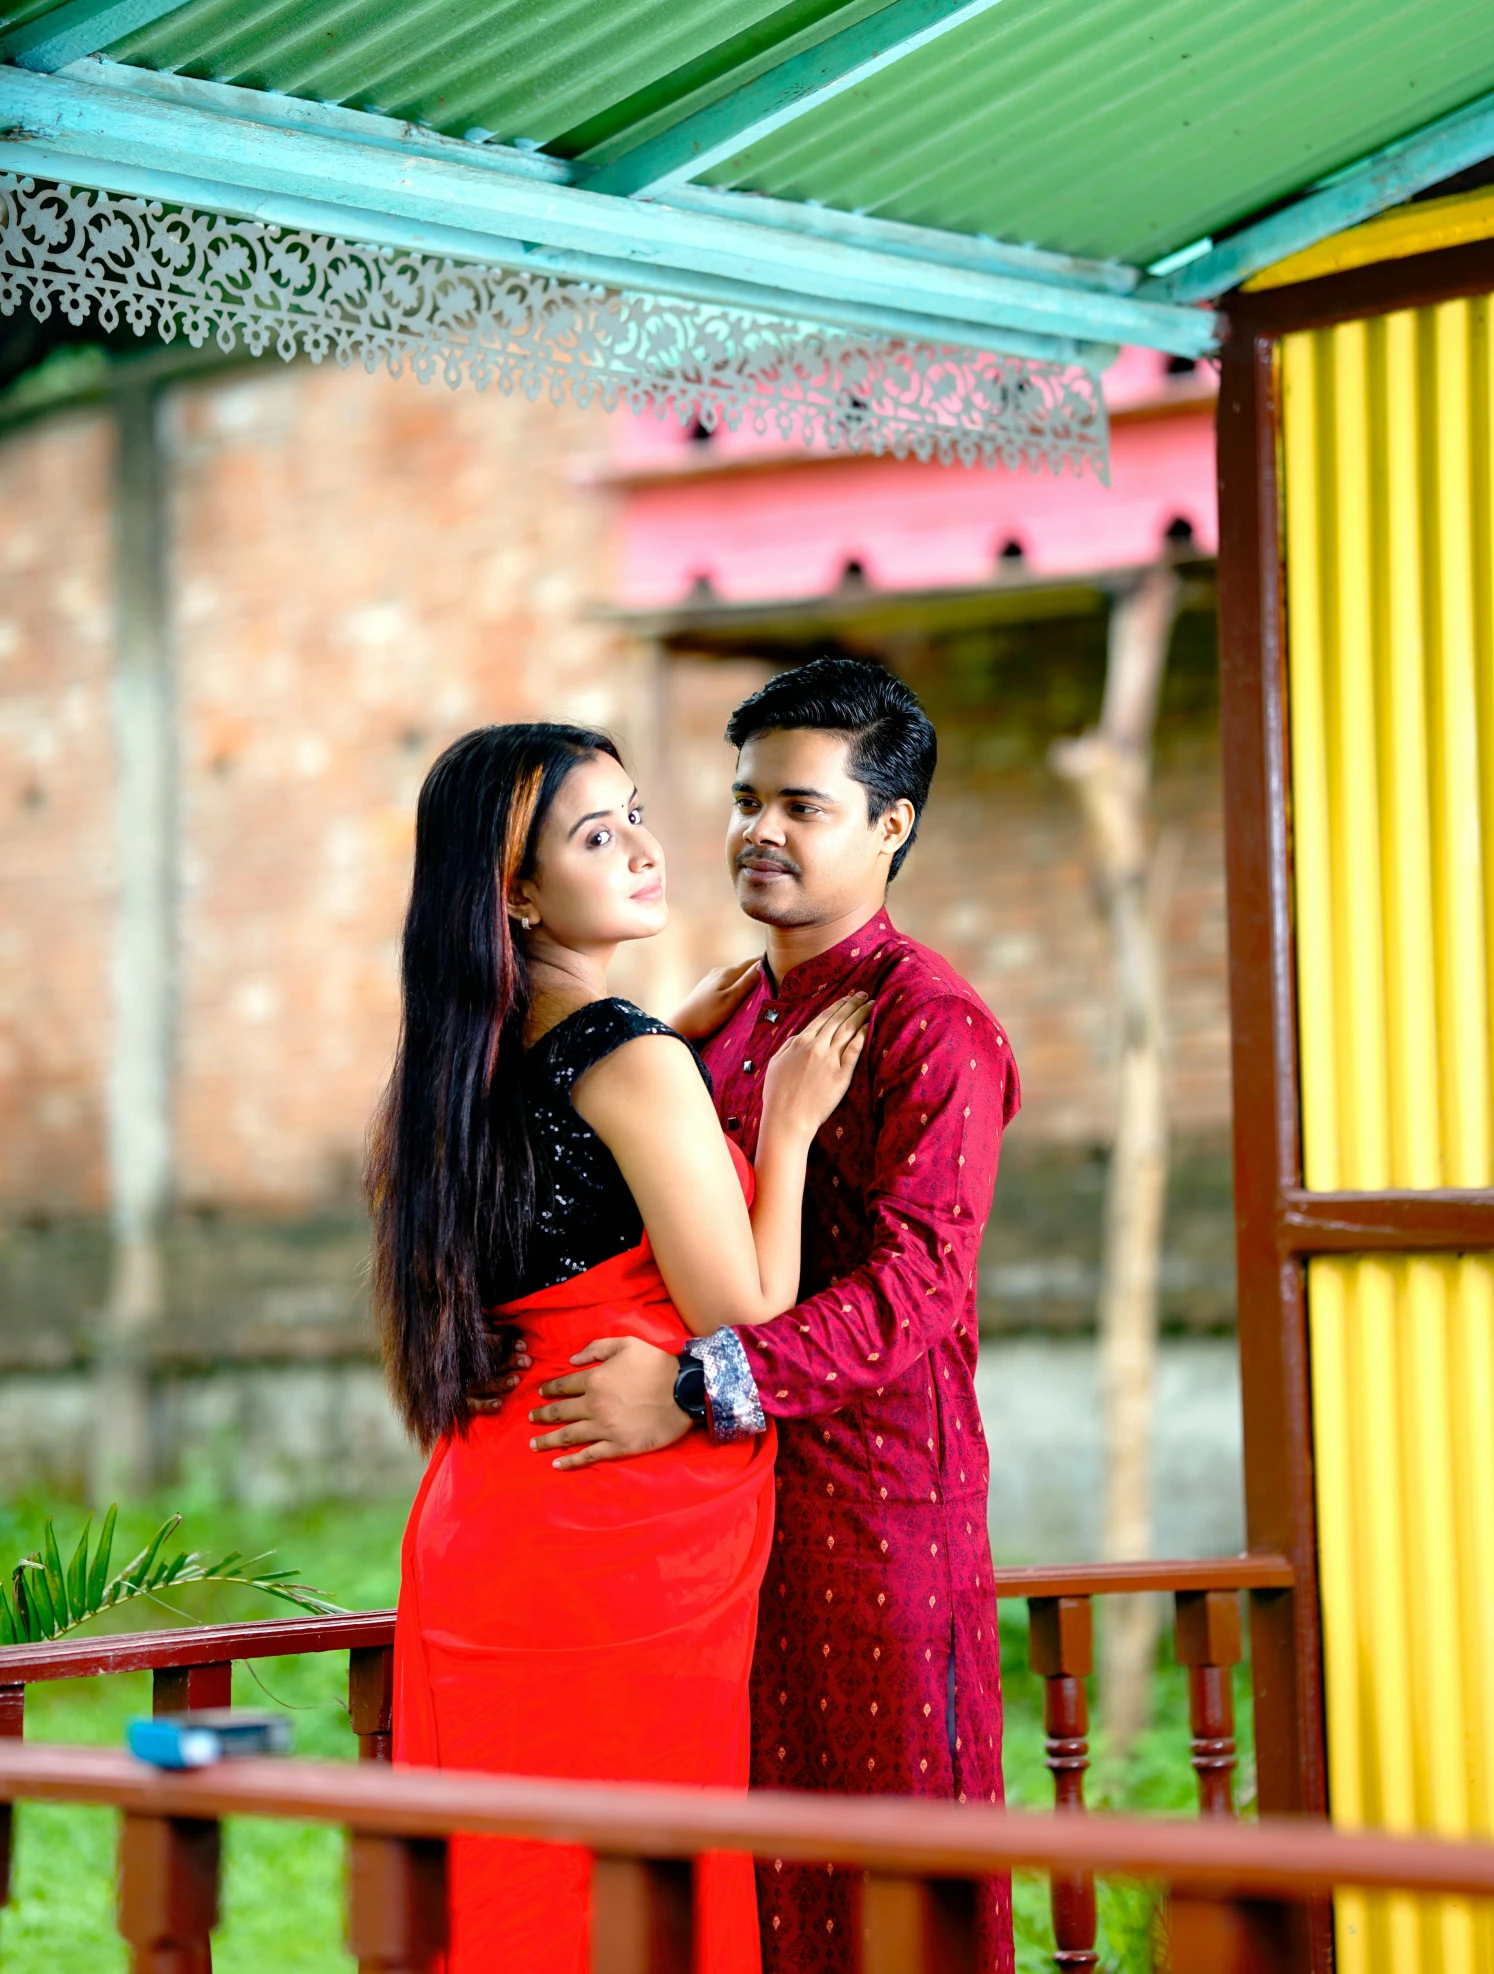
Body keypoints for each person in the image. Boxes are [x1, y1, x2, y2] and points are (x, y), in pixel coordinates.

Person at [525, 662, 1021, 1974]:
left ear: (890, 826)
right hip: (716, 1530)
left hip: (873, 1522)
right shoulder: (737, 1010)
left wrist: (692, 1384)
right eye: (746, 799)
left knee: (893, 1876)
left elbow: (918, 1288)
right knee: (758, 1889)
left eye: (801, 805)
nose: (757, 831)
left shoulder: (931, 1027)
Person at [369, 721, 869, 1974]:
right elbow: (747, 1311)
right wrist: (792, 1129)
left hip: (487, 1523)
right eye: (599, 836)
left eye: (638, 812)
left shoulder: (457, 1066)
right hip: (615, 1546)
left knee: (512, 1889)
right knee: (629, 1897)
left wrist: (663, 1034)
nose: (646, 847)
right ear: (520, 893)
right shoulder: (631, 1060)